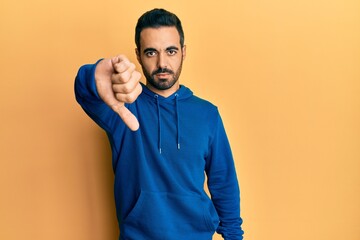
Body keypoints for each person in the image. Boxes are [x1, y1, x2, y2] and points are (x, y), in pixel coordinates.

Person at [75, 8, 244, 240]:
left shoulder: (207, 114)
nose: (162, 63)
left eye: (171, 51)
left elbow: (223, 182)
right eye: (151, 52)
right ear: (138, 55)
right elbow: (85, 91)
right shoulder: (122, 108)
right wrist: (93, 74)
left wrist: (233, 236)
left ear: (183, 52)